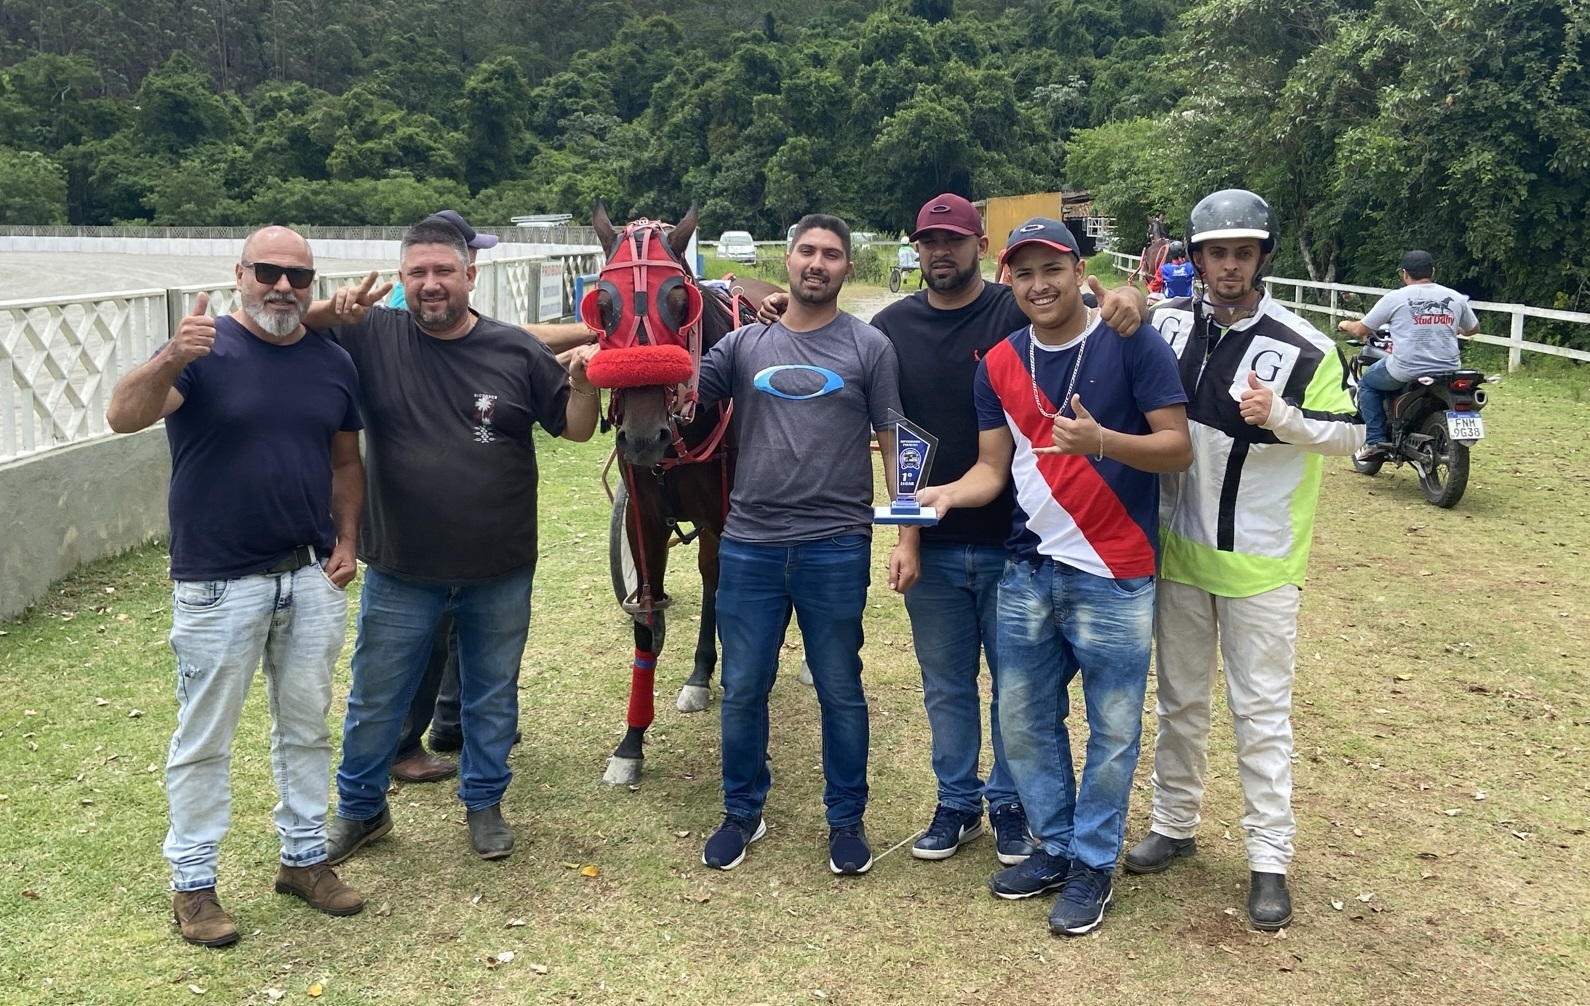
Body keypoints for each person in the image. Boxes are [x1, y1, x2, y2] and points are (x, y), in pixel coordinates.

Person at [918, 217, 1190, 936]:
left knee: (1113, 729)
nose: (1040, 285)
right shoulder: (999, 363)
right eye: (1026, 273)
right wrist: (945, 496)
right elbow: (991, 469)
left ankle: (1094, 864)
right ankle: (1058, 845)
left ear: (1077, 270)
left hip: (1115, 571)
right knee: (1023, 719)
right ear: (1008, 279)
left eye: (1053, 270)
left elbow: (1177, 448)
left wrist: (1103, 442)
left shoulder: (1131, 341)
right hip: (1029, 570)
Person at [308, 218, 601, 864]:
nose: (431, 283)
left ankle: (484, 801)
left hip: (499, 567)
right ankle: (361, 810)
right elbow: (282, 324)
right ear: (401, 279)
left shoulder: (515, 350)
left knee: (490, 694)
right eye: (418, 272)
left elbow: (577, 429)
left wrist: (583, 385)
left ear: (471, 274)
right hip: (401, 566)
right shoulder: (372, 334)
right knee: (376, 696)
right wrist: (332, 308)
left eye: (444, 270)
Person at [105, 226, 366, 947]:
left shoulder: (333, 361)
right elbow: (122, 416)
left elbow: (345, 463)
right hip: (218, 582)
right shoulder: (202, 349)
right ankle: (193, 884)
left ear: (311, 285)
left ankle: (304, 860)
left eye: (298, 276)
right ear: (240, 273)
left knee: (307, 728)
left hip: (308, 575)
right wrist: (170, 355)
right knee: (204, 739)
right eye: (268, 272)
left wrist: (347, 540)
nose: (283, 287)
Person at [1127, 189, 1362, 931]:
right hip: (1177, 555)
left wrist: (1283, 418)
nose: (1229, 265)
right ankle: (1174, 823)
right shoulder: (1167, 323)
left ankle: (1269, 859)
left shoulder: (1305, 345)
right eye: (1216, 253)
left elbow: (1356, 435)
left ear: (1262, 257)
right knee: (1179, 702)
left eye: (1243, 252)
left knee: (1259, 714)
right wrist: (1123, 300)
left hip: (1260, 563)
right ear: (1196, 259)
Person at [698, 213, 902, 877]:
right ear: (786, 261)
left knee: (840, 688)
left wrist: (906, 533)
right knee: (742, 687)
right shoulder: (742, 346)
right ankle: (741, 812)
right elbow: (682, 392)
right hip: (749, 545)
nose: (817, 263)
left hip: (836, 545)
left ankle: (846, 819)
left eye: (831, 254)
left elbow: (893, 443)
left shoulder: (870, 348)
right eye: (807, 252)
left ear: (848, 268)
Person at [387, 209, 589, 786]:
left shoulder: (457, 310)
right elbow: (512, 338)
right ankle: (405, 740)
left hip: (481, 533)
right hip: (418, 526)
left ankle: (452, 721)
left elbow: (505, 342)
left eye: (457, 263)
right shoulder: (407, 315)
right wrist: (587, 332)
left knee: (459, 625)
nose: (439, 278)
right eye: (468, 251)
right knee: (427, 634)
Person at [1338, 249, 1479, 461]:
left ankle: (1375, 441)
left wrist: (1344, 324)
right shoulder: (1455, 297)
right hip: (1449, 369)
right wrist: (1451, 327)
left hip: (1407, 369)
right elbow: (1473, 329)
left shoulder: (1395, 298)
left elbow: (1360, 330)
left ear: (1404, 274)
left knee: (1367, 383)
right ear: (1433, 271)